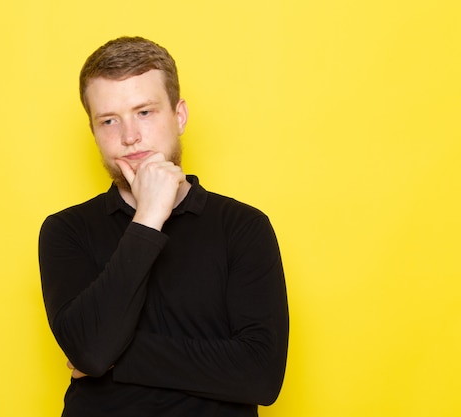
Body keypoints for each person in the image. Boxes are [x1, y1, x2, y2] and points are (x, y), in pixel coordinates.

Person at [39, 36, 289, 417]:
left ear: (180, 116)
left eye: (144, 112)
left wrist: (115, 359)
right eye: (109, 120)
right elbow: (90, 351)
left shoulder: (243, 227)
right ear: (93, 131)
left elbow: (260, 376)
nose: (129, 136)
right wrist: (148, 220)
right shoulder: (66, 231)